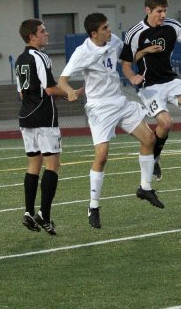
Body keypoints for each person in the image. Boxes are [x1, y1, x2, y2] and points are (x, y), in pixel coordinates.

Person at [58, 12, 163, 229]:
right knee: (103, 156)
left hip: (120, 101)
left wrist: (143, 51)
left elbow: (127, 59)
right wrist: (69, 91)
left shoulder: (114, 41)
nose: (110, 30)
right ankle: (93, 205)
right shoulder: (82, 52)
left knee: (149, 139)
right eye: (105, 28)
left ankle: (145, 187)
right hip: (99, 108)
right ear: (94, 33)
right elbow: (62, 80)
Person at [120, 0, 181, 181]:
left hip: (170, 80)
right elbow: (126, 64)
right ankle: (154, 158)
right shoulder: (134, 33)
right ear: (148, 10)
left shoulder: (172, 26)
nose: (163, 15)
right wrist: (136, 69)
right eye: (159, 11)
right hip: (149, 85)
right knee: (166, 123)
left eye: (165, 11)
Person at [15, 18, 82, 235]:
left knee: (33, 165)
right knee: (52, 165)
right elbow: (50, 89)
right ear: (31, 36)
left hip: (26, 116)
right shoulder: (40, 57)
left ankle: (28, 212)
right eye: (43, 31)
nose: (47, 34)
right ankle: (44, 214)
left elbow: (22, 93)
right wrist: (71, 93)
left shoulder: (20, 59)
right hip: (44, 117)